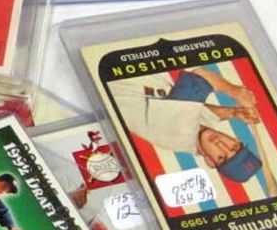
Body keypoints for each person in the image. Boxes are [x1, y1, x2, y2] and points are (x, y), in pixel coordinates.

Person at [108, 67, 263, 184]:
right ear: (236, 140)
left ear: (209, 162)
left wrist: (237, 92)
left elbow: (201, 77)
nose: (221, 144)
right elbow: (203, 114)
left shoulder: (179, 135)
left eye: (221, 157)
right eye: (233, 147)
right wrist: (233, 113)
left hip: (111, 73)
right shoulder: (195, 133)